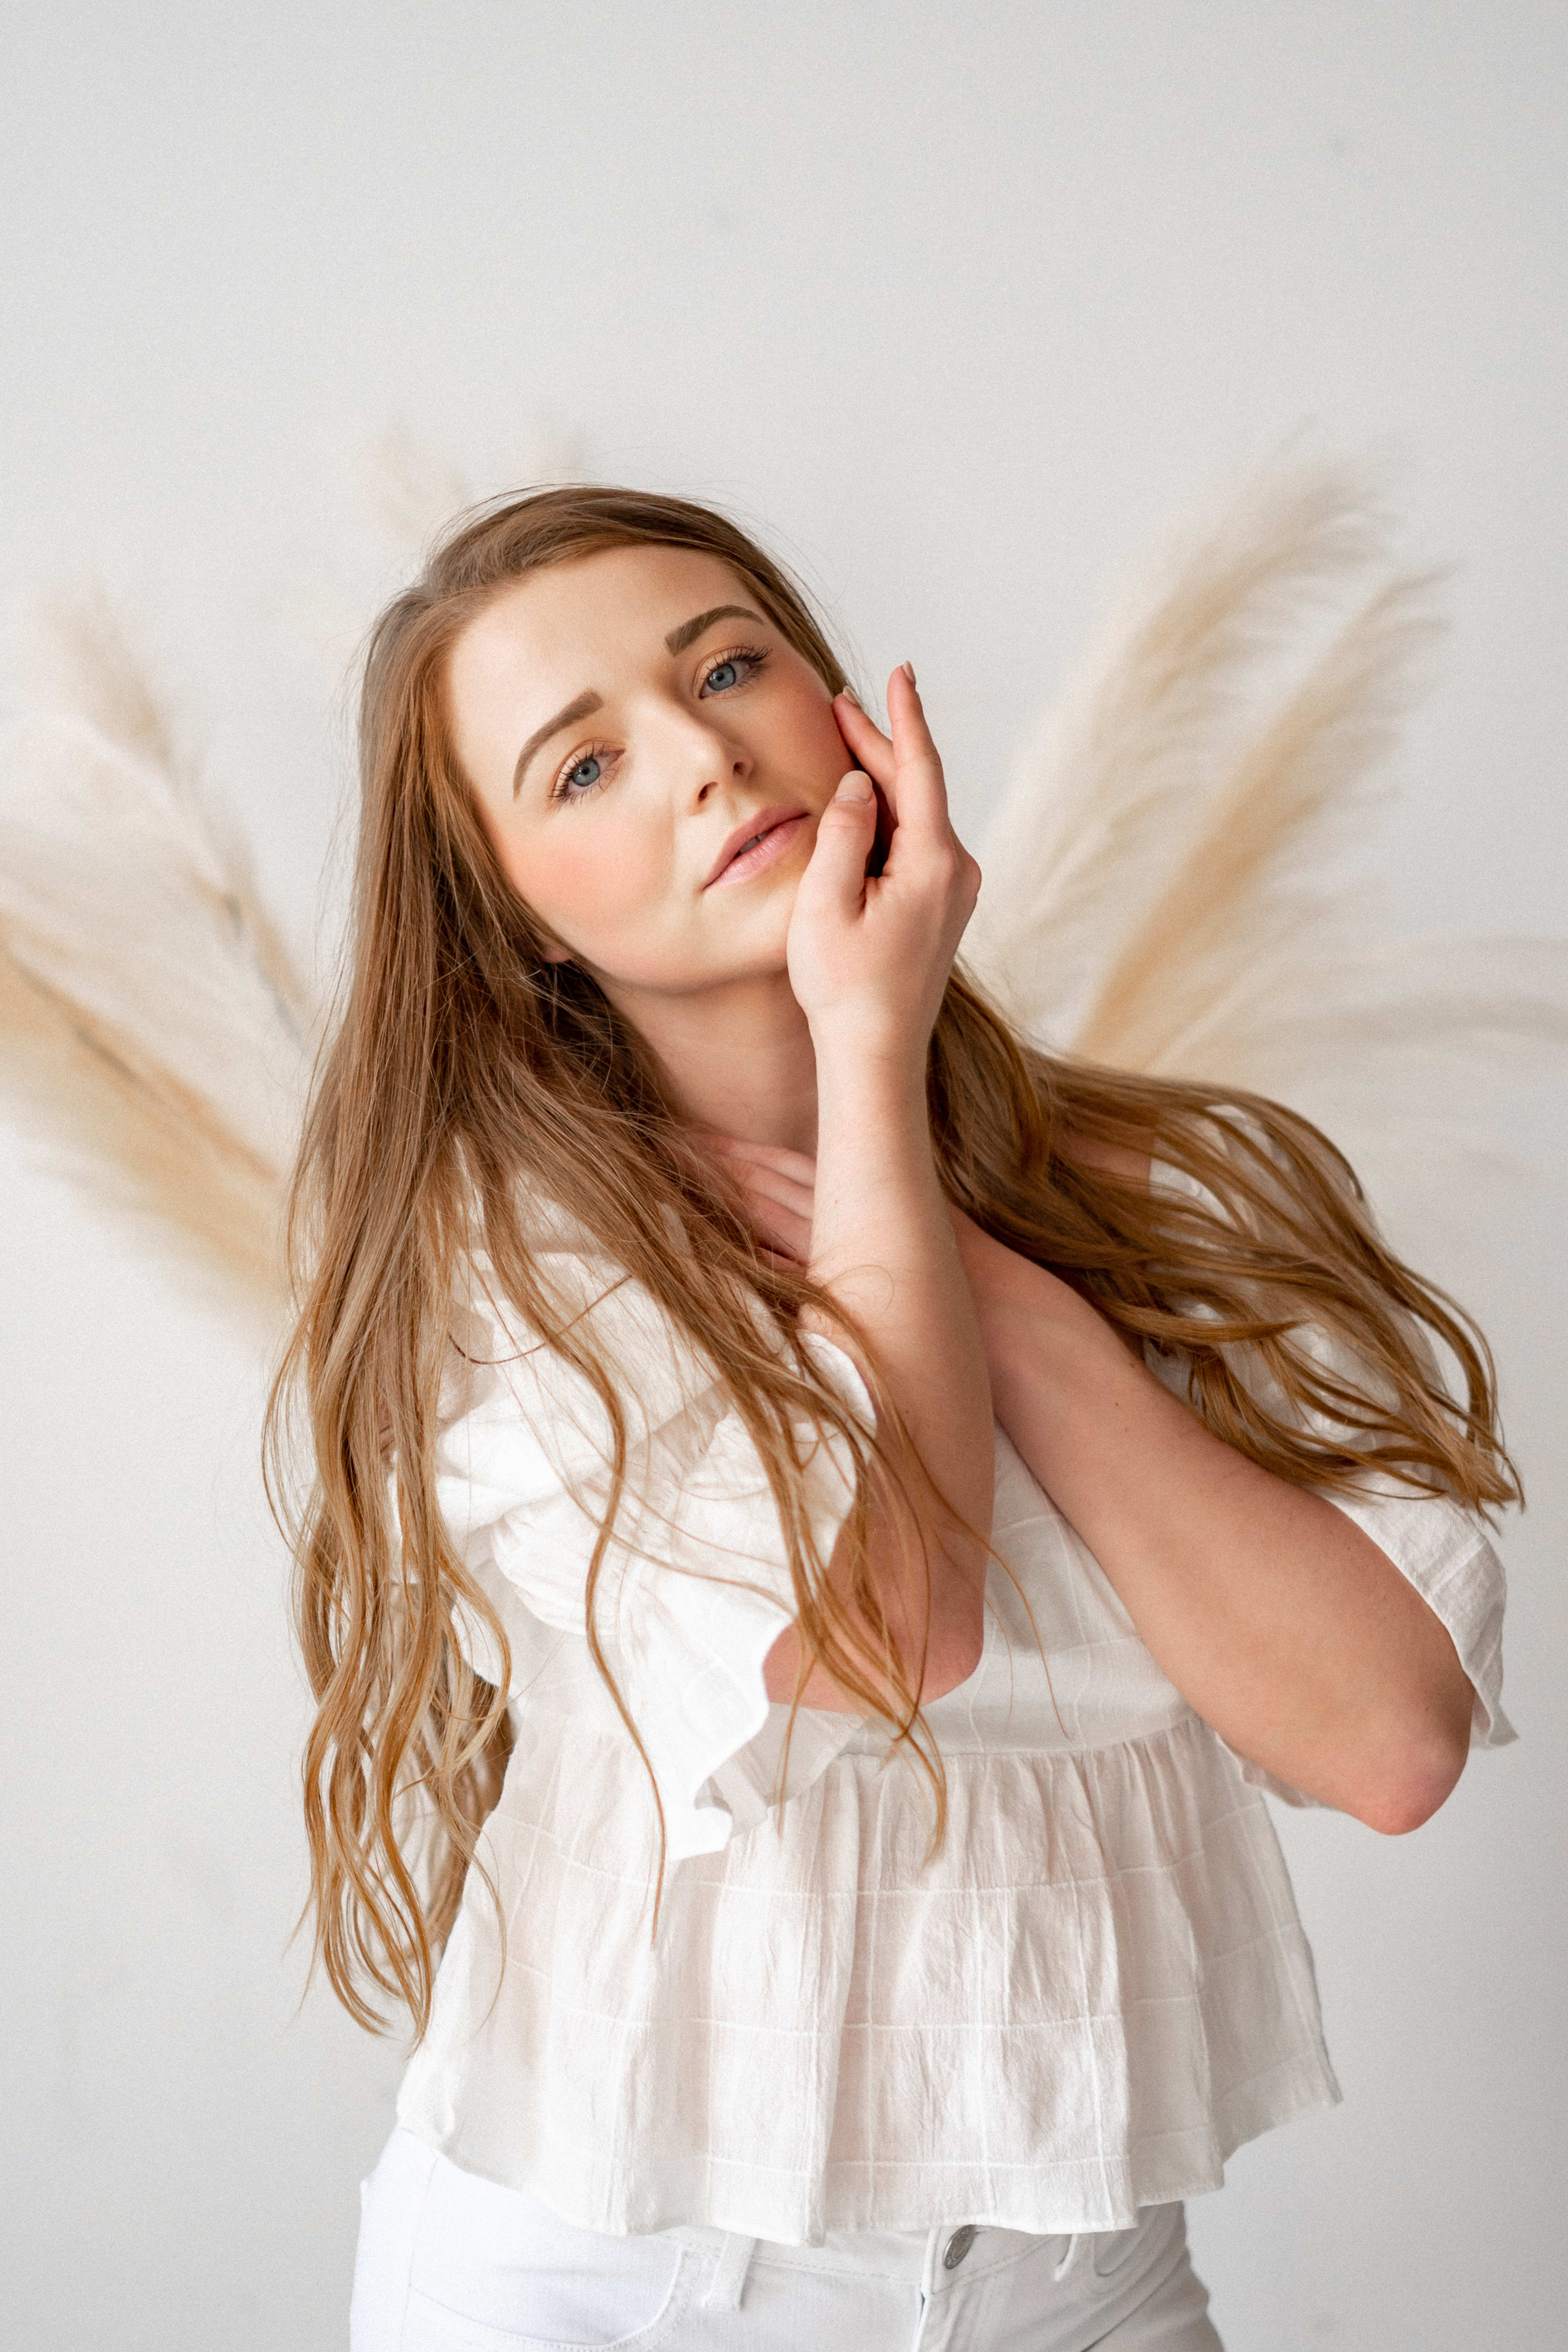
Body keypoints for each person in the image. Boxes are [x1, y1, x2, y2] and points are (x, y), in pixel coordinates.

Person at [268, 486, 1516, 2350]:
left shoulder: (1150, 1194)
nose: (702, 754)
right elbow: (889, 1639)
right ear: (514, 920)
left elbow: (1390, 1742)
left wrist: (997, 1283)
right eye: (585, 765)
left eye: (731, 666)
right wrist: (865, 1053)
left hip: (1080, 2291)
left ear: (848, 709)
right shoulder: (511, 1269)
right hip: (629, 2284)